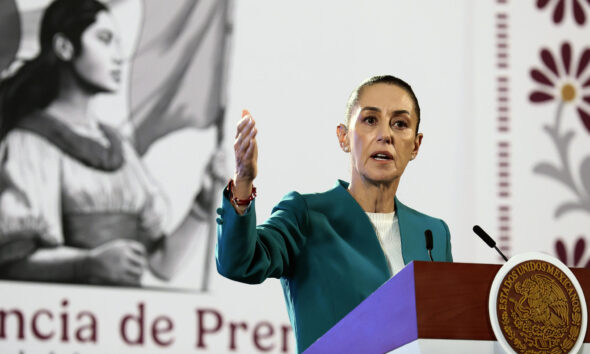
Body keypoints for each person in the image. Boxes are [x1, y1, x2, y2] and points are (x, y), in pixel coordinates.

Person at [216, 75, 453, 352]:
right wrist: (243, 182)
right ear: (344, 137)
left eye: (400, 124)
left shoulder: (433, 233)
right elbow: (239, 262)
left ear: (415, 145)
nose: (385, 135)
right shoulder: (306, 215)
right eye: (370, 120)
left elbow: (446, 333)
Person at [0, 0, 219, 286]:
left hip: (123, 322)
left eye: (117, 42)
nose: (118, 56)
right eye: (104, 40)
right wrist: (86, 264)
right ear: (65, 47)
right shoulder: (30, 142)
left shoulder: (120, 148)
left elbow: (162, 266)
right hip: (62, 320)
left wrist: (203, 203)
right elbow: (12, 260)